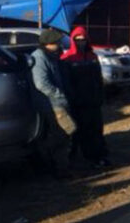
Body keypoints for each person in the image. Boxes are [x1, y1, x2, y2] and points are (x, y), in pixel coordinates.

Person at [61, 26, 110, 167]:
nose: (80, 42)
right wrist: (72, 98)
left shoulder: (92, 57)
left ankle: (98, 155)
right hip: (78, 102)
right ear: (72, 40)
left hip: (94, 100)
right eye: (77, 40)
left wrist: (101, 95)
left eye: (83, 39)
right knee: (80, 130)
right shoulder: (68, 58)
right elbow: (67, 81)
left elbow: (98, 78)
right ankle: (77, 157)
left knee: (96, 129)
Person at [31, 28, 77, 176]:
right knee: (66, 131)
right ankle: (56, 166)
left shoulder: (51, 57)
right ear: (48, 44)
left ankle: (59, 166)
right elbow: (41, 84)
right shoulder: (39, 58)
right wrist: (59, 95)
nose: (59, 45)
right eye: (57, 43)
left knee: (62, 134)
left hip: (57, 103)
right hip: (51, 104)